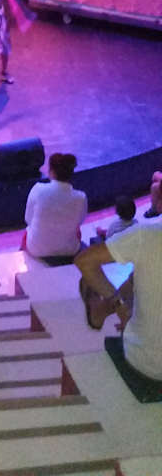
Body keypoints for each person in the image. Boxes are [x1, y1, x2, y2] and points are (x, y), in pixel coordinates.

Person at [76, 223, 162, 382]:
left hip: (148, 364)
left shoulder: (147, 235)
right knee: (147, 268)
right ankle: (112, 309)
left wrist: (120, 306)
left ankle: (111, 307)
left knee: (146, 264)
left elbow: (85, 262)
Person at [24, 152, 88, 262]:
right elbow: (79, 222)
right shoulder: (81, 197)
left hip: (36, 250)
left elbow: (28, 219)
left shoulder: (38, 189)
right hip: (69, 251)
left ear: (51, 171)